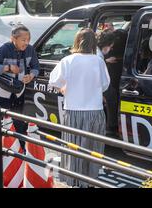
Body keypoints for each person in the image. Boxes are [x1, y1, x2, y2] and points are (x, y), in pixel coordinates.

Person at [48, 28, 110, 188]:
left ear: (76, 41)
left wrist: (63, 88)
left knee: (73, 147)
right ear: (93, 43)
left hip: (73, 110)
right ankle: (90, 180)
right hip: (95, 111)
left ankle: (73, 180)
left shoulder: (68, 60)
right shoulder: (98, 61)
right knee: (92, 148)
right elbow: (105, 85)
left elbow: (54, 81)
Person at [0, 25, 39, 148]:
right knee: (1, 122)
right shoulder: (4, 49)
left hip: (19, 90)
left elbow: (36, 67)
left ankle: (20, 150)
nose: (26, 43)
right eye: (23, 40)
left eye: (28, 39)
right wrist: (7, 68)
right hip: (1, 91)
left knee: (18, 122)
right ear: (13, 38)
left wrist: (30, 76)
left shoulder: (30, 50)